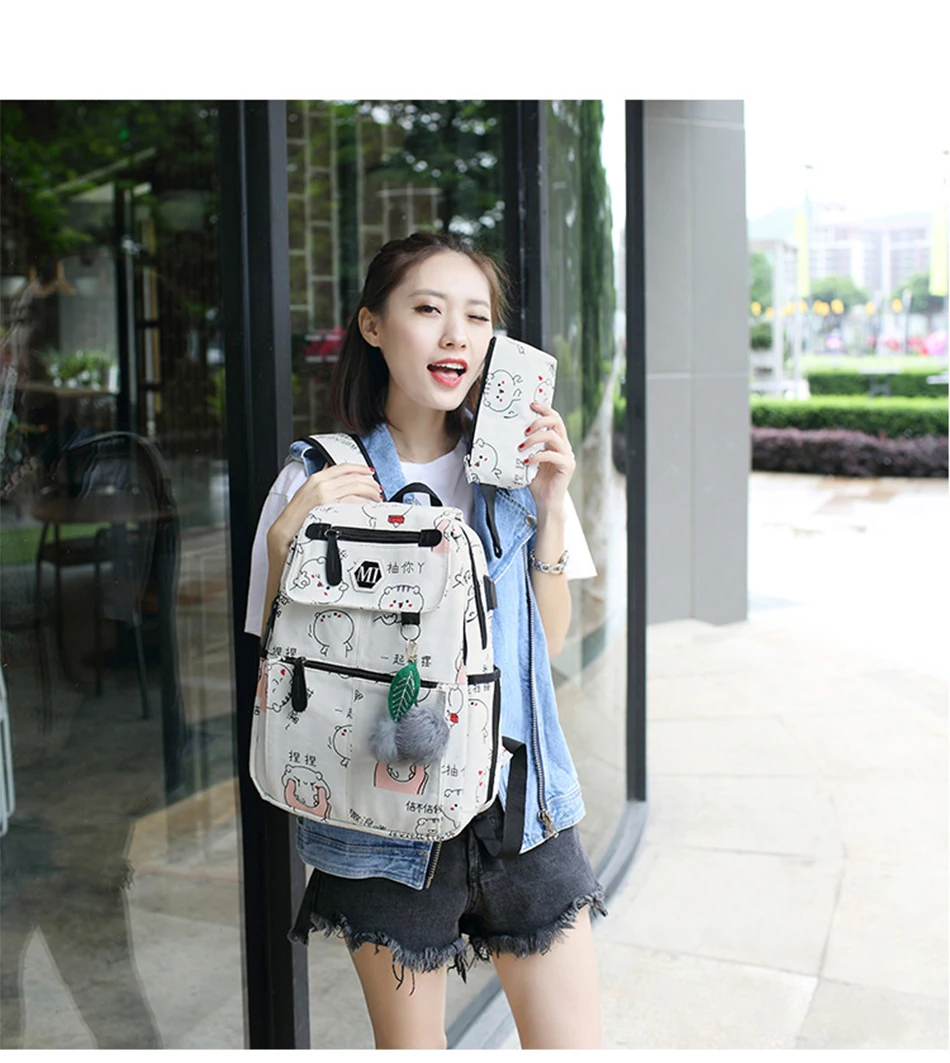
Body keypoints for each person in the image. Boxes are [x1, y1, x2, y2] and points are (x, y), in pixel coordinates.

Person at [244, 231, 605, 1050]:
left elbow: (544, 646)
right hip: (384, 820)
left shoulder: (516, 472)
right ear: (373, 325)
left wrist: (551, 504)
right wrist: (287, 545)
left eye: (476, 317)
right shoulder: (318, 479)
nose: (456, 336)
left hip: (521, 809)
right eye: (429, 309)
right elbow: (281, 670)